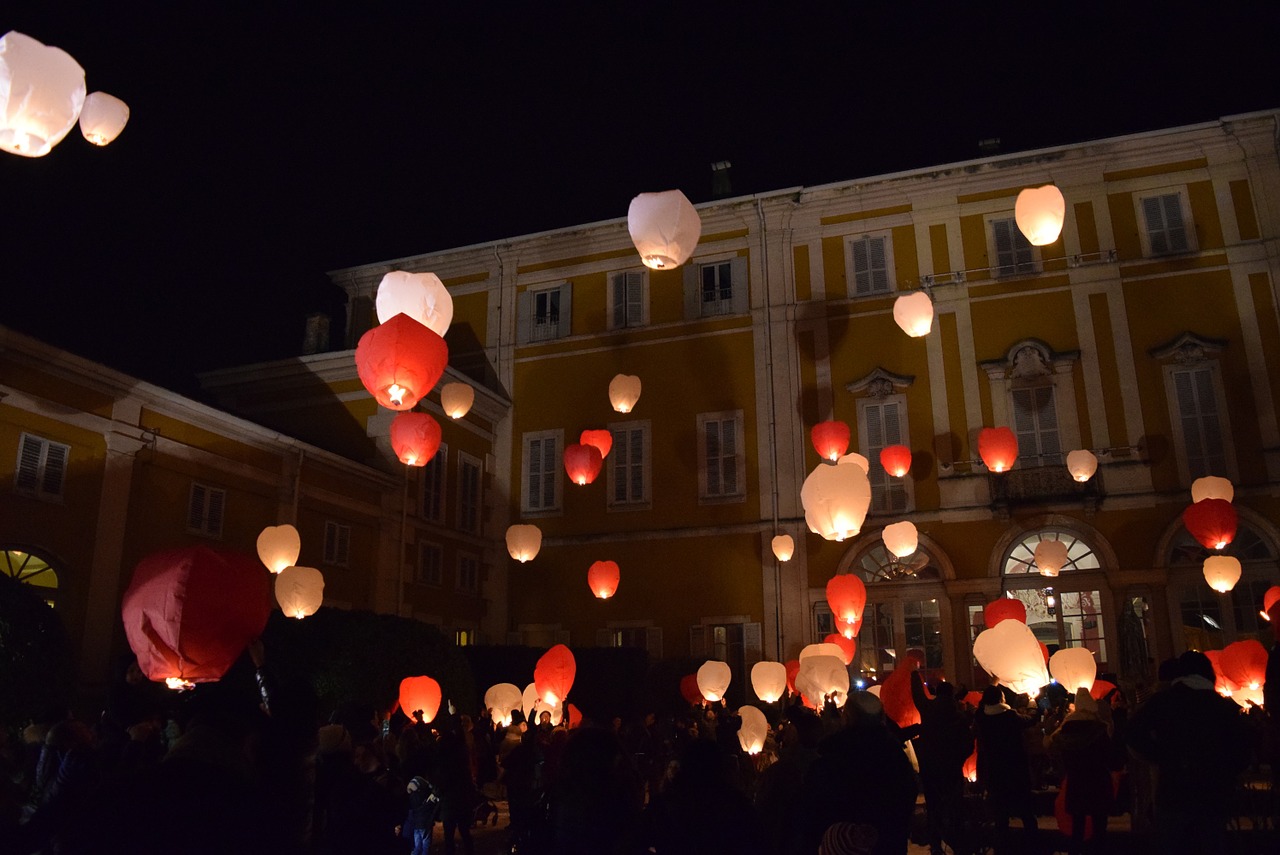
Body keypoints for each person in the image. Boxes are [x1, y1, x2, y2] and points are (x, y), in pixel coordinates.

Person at [1127, 649, 1250, 855]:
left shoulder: (1163, 702)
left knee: (1172, 843)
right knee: (1211, 842)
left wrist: (1161, 755)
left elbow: (1134, 734)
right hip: (1213, 791)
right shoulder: (1223, 707)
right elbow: (1241, 750)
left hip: (1174, 788)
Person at [910, 672, 971, 855]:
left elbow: (917, 695)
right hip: (951, 768)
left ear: (936, 692)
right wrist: (959, 759)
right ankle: (957, 841)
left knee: (934, 805)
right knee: (954, 805)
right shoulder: (960, 716)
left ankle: (936, 844)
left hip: (930, 768)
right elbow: (967, 744)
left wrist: (914, 674)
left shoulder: (928, 709)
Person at [974, 685, 1040, 854]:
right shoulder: (1010, 716)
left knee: (1001, 817)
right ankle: (1034, 847)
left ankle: (1003, 849)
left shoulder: (981, 717)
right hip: (1015, 771)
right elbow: (1030, 720)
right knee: (1026, 812)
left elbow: (980, 709)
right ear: (1001, 699)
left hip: (995, 773)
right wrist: (1033, 703)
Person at [1045, 688, 1113, 854]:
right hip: (1098, 782)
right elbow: (1110, 757)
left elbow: (1051, 749)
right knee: (1099, 827)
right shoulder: (1100, 729)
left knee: (1078, 825)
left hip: (1076, 782)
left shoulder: (1064, 731)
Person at [404, 775, 440, 855]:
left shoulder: (411, 797)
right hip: (425, 823)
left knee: (417, 844)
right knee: (425, 843)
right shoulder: (424, 795)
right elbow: (431, 804)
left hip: (416, 824)